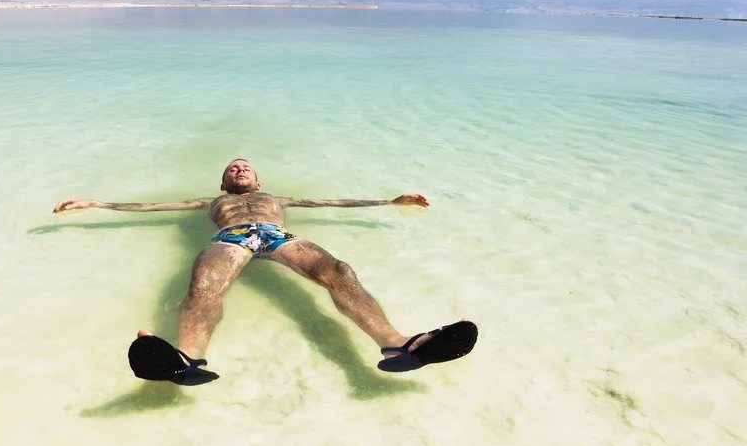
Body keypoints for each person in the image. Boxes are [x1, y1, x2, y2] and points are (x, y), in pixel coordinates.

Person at [53, 159, 477, 386]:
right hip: (231, 237)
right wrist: (96, 203)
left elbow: (331, 203)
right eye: (232, 169)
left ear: (258, 179)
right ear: (223, 184)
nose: (239, 170)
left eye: (246, 168)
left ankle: (398, 344)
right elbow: (146, 208)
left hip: (278, 235)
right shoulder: (209, 202)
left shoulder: (278, 198)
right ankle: (187, 358)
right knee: (205, 284)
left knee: (339, 270)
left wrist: (388, 202)